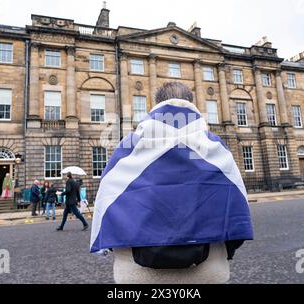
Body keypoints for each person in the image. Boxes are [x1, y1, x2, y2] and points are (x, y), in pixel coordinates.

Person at [90, 82, 253, 284]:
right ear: (191, 103)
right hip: (208, 269)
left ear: (157, 103)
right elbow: (237, 201)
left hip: (137, 272)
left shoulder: (130, 145)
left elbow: (106, 198)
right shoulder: (214, 145)